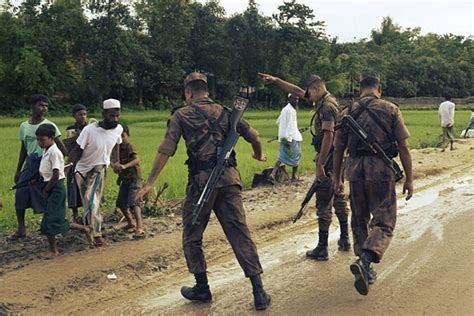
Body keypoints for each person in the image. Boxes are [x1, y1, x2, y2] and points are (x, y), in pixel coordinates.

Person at [136, 73, 271, 311]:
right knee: (239, 233)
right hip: (229, 181)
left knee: (192, 234)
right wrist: (259, 155)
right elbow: (254, 136)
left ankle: (202, 287)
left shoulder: (181, 115)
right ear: (206, 91)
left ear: (188, 93)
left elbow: (166, 149)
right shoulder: (228, 112)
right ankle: (258, 290)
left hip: (202, 184)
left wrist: (149, 183)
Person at [333, 75, 414, 296]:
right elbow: (404, 147)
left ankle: (363, 265)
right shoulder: (390, 109)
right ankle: (367, 259)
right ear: (379, 88)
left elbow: (338, 149)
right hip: (380, 170)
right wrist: (409, 178)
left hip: (355, 171)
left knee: (359, 218)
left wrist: (336, 178)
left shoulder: (346, 112)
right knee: (385, 220)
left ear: (360, 89)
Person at [258, 72, 351, 260]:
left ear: (316, 88)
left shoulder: (326, 107)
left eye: (310, 92)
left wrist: (320, 163)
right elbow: (298, 91)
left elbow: (328, 135)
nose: (306, 96)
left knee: (324, 202)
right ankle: (344, 238)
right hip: (337, 159)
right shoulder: (329, 99)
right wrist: (276, 81)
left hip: (329, 160)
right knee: (339, 196)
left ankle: (323, 247)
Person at [11, 94, 66, 240]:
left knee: (46, 197)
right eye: (41, 105)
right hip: (30, 165)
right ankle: (21, 228)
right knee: (20, 194)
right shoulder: (24, 126)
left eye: (46, 106)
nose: (44, 109)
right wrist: (18, 170)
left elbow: (61, 148)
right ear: (33, 106)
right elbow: (24, 149)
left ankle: (54, 226)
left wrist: (58, 164)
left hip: (45, 165)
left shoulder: (50, 126)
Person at [70, 99, 123, 247]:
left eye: (117, 116)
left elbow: (117, 144)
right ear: (104, 114)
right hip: (82, 170)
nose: (115, 119)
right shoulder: (90, 130)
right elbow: (77, 150)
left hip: (99, 169)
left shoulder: (118, 129)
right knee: (87, 202)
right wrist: (68, 166)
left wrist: (116, 162)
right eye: (112, 116)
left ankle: (97, 235)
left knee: (92, 200)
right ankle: (89, 229)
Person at [36, 124, 92, 256]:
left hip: (54, 187)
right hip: (50, 185)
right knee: (53, 219)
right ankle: (85, 229)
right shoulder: (47, 150)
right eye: (37, 139)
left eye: (42, 140)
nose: (39, 142)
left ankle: (53, 250)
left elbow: (56, 174)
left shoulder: (54, 152)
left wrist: (47, 190)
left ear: (51, 138)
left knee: (51, 219)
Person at [112, 124, 145, 238]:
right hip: (125, 179)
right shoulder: (115, 149)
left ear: (127, 135)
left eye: (123, 136)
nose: (121, 139)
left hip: (134, 177)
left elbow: (136, 159)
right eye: (118, 136)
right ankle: (131, 222)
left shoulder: (129, 146)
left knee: (134, 202)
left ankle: (139, 227)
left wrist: (125, 166)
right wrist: (115, 167)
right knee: (121, 203)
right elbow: (113, 162)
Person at [64, 104, 88, 222]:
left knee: (87, 188)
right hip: (74, 162)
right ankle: (75, 214)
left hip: (87, 161)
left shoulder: (90, 128)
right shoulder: (70, 130)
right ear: (74, 116)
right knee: (73, 188)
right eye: (80, 114)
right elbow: (68, 146)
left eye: (84, 114)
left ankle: (87, 213)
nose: (83, 117)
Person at [270, 94, 303, 181]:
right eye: (294, 99)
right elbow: (291, 126)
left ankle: (273, 173)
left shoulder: (284, 109)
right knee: (297, 155)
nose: (296, 101)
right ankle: (294, 176)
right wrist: (289, 138)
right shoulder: (292, 111)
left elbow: (278, 121)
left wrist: (283, 133)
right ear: (289, 99)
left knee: (281, 155)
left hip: (284, 137)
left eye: (297, 99)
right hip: (291, 138)